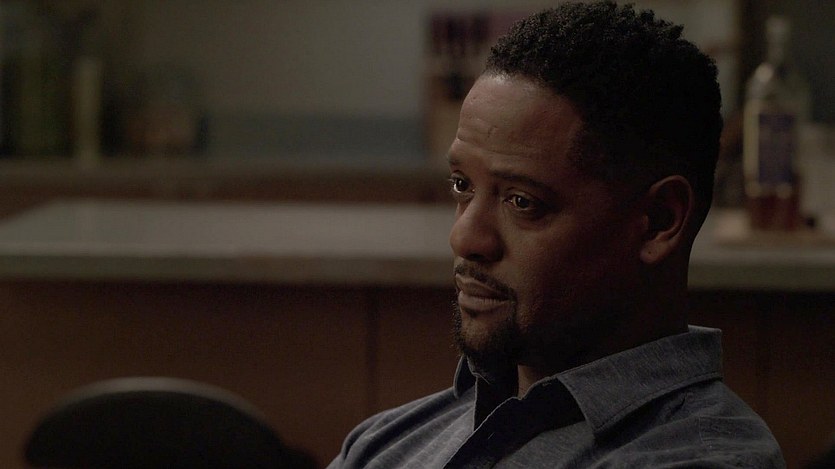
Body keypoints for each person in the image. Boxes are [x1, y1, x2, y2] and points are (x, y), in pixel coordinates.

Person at [328, 2, 785, 468]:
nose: (464, 238)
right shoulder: (384, 443)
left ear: (658, 221)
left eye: (522, 201)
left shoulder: (697, 460)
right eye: (462, 185)